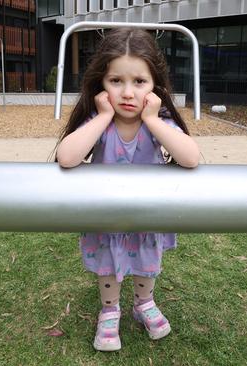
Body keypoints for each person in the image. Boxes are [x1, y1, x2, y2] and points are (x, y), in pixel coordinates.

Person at [55, 27, 199, 351]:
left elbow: (190, 157)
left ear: (154, 86)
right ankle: (110, 310)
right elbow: (66, 156)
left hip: (147, 217)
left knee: (145, 262)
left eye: (139, 82)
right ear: (101, 84)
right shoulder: (98, 122)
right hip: (106, 218)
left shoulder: (158, 122)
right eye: (116, 81)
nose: (128, 93)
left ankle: (143, 303)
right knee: (107, 264)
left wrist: (153, 121)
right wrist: (103, 116)